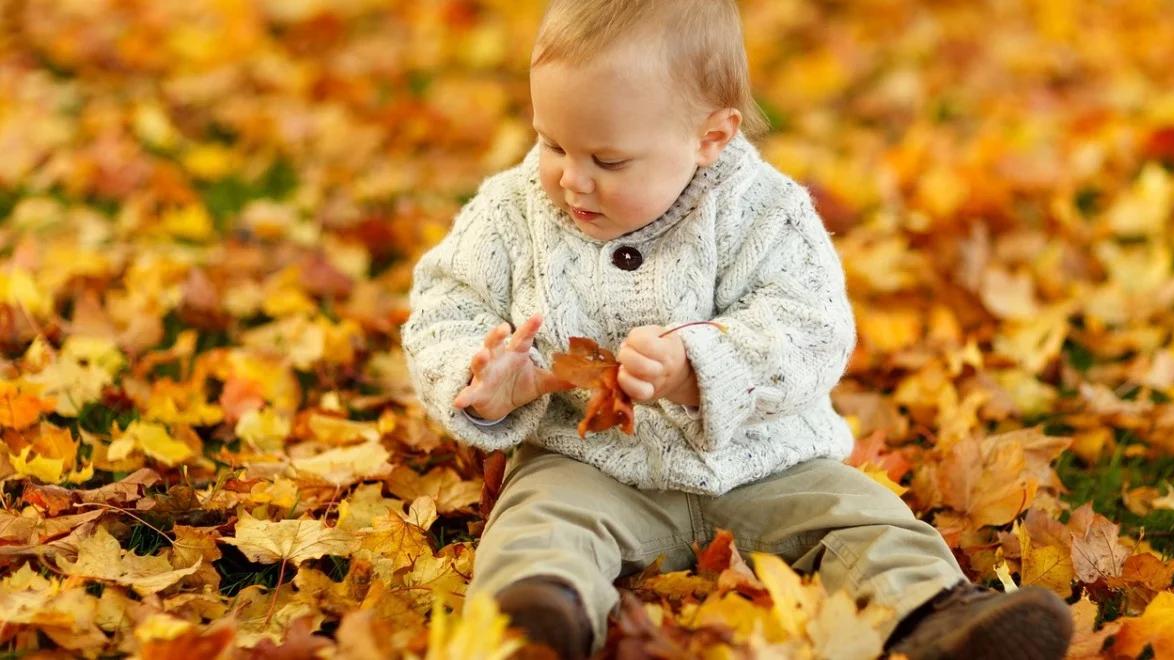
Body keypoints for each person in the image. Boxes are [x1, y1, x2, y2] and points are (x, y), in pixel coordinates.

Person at [402, 1, 1073, 658]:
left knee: (860, 515)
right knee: (538, 522)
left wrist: (699, 366)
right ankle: (540, 615)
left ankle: (936, 614)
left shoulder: (765, 213)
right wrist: (477, 375)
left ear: (710, 138)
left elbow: (812, 328)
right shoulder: (511, 211)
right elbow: (447, 303)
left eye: (608, 161)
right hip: (590, 467)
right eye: (551, 142)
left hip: (765, 463)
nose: (572, 179)